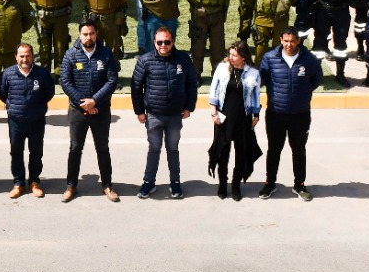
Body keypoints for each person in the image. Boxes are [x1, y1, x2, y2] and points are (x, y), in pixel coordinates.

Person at [131, 26, 197, 200]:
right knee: (154, 148)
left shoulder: (183, 59)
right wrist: (139, 111)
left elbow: (191, 83)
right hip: (154, 114)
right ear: (154, 42)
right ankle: (148, 182)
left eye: (167, 42)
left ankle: (175, 183)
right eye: (159, 42)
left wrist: (189, 107)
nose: (163, 45)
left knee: (173, 149)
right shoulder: (145, 60)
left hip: (175, 115)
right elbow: (136, 87)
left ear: (172, 42)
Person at [257, 27, 323, 202]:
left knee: (299, 149)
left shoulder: (308, 59)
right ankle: (269, 183)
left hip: (300, 114)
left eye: (292, 41)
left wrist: (303, 93)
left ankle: (299, 185)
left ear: (298, 41)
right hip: (275, 113)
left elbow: (316, 78)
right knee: (274, 149)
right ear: (281, 40)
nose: (289, 44)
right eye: (286, 41)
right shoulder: (270, 58)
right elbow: (262, 79)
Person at [59, 20, 120, 203]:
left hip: (101, 110)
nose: (88, 37)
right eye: (85, 34)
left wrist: (95, 101)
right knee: (75, 148)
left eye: (91, 33)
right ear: (79, 35)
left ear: (96, 34)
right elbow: (65, 81)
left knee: (103, 148)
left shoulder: (106, 53)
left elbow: (112, 80)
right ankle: (71, 186)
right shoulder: (71, 54)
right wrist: (84, 103)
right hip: (77, 111)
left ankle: (107, 185)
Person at [207, 41, 263, 201]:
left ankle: (236, 185)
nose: (230, 57)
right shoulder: (222, 68)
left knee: (242, 153)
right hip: (223, 117)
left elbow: (255, 95)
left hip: (243, 118)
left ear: (243, 57)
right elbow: (214, 90)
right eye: (229, 54)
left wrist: (256, 115)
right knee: (222, 152)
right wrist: (213, 113)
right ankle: (222, 184)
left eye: (234, 55)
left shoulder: (253, 73)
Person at [0, 43, 55, 199]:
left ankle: (34, 182)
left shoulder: (42, 73)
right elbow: (2, 93)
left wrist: (37, 106)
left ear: (32, 56)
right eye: (21, 56)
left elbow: (49, 93)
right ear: (16, 57)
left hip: (36, 120)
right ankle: (18, 183)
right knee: (16, 152)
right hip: (16, 121)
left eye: (28, 56)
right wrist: (14, 107)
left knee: (36, 152)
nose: (25, 59)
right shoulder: (7, 74)